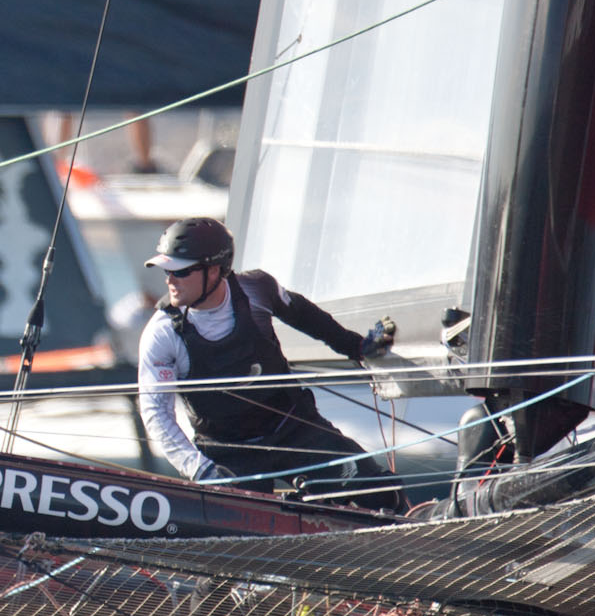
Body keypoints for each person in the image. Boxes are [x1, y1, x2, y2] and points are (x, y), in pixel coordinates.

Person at [135, 217, 404, 511]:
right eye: (166, 271)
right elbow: (156, 414)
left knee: (384, 494)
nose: (169, 280)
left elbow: (306, 316)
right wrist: (201, 470)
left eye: (180, 271)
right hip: (228, 454)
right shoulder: (162, 333)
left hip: (294, 429)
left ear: (214, 271)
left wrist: (358, 347)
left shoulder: (256, 290)